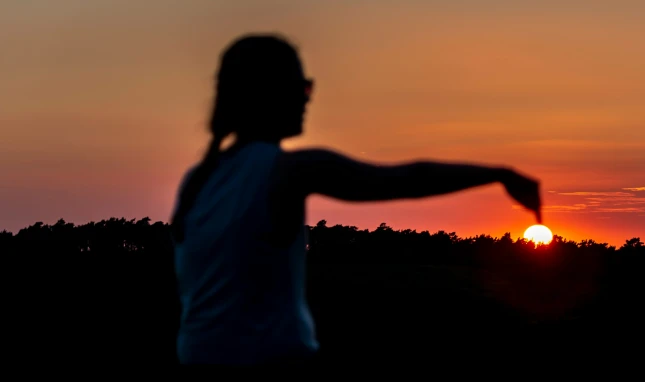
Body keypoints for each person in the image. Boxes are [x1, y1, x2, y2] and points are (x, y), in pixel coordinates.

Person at [169, 33, 542, 365]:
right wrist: (498, 175)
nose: (307, 99)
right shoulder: (288, 169)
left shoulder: (197, 181)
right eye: (302, 87)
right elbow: (402, 180)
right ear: (269, 93)